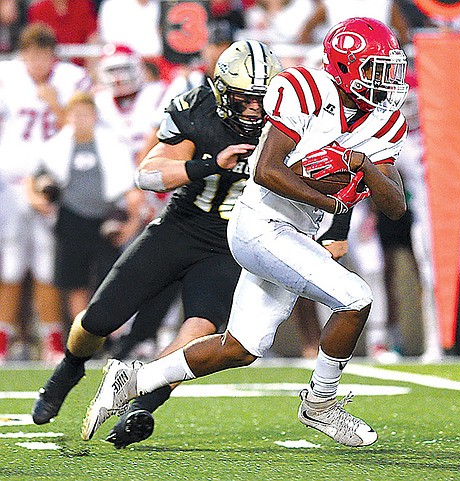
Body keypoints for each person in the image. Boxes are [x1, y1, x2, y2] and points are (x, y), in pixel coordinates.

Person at [80, 17, 409, 448]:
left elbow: (395, 205)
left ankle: (133, 379)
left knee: (241, 347)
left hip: (296, 234)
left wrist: (361, 164)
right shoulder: (306, 89)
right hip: (260, 222)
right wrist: (333, 201)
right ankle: (322, 403)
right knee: (355, 298)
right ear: (345, 66)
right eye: (374, 69)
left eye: (388, 69)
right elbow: (268, 170)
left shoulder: (384, 120)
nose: (385, 81)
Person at [30, 40, 282, 448]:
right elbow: (147, 174)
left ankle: (143, 402)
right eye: (243, 98)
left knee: (201, 327)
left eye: (261, 99)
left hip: (233, 240)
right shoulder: (198, 110)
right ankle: (70, 367)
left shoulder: (289, 120)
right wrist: (208, 164)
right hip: (180, 226)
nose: (254, 109)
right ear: (221, 92)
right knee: (98, 320)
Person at [0, 23, 89, 362]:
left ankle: (52, 337)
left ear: (54, 55)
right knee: (9, 264)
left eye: (44, 54)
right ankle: (4, 339)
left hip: (52, 184)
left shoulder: (69, 80)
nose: (37, 63)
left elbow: (82, 129)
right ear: (22, 55)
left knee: (45, 265)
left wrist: (55, 104)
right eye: (31, 55)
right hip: (10, 183)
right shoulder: (7, 76)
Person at [26, 92, 144, 322]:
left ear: (94, 117)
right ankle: (82, 333)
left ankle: (109, 331)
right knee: (74, 281)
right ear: (68, 117)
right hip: (71, 217)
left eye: (85, 114)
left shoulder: (112, 145)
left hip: (105, 217)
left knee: (110, 278)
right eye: (76, 114)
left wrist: (132, 223)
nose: (80, 119)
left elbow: (130, 190)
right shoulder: (55, 147)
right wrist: (36, 198)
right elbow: (34, 177)